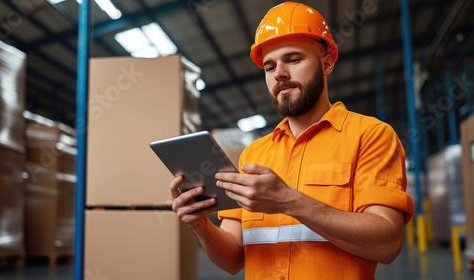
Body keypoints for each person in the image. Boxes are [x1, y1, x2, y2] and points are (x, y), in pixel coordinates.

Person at [170, 2, 414, 279]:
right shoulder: (254, 154)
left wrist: (289, 201)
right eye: (269, 66)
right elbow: (233, 260)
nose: (279, 74)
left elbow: (387, 244)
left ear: (327, 63)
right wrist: (200, 224)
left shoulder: (370, 135)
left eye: (294, 60)